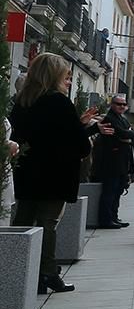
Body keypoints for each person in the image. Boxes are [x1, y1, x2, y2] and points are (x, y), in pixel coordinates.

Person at [8, 53, 99, 294]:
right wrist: (83, 131)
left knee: (23, 222)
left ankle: (20, 270)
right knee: (48, 224)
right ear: (54, 75)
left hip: (26, 173)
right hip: (55, 175)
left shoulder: (21, 102)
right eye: (66, 76)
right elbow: (77, 144)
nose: (68, 81)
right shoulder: (59, 102)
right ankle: (47, 273)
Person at [92, 93, 134, 229]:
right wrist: (127, 135)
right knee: (109, 191)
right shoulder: (110, 118)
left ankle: (113, 216)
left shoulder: (122, 119)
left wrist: (128, 135)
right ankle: (106, 219)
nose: (122, 106)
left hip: (122, 161)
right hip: (112, 162)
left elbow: (131, 134)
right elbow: (122, 133)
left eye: (124, 104)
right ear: (112, 105)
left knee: (118, 191)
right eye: (119, 104)